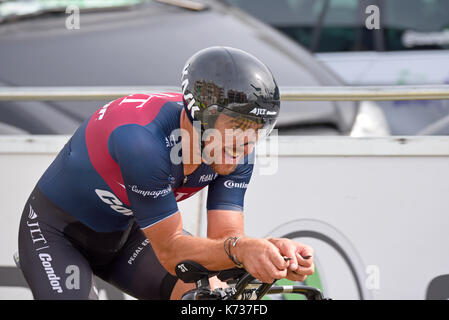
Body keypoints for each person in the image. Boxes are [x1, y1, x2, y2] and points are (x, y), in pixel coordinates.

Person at [18, 46, 315, 300]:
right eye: (236, 127)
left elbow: (226, 240)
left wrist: (268, 251)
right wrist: (242, 249)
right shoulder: (142, 142)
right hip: (57, 233)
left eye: (257, 129)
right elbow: (172, 252)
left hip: (132, 232)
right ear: (200, 116)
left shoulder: (234, 149)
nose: (246, 143)